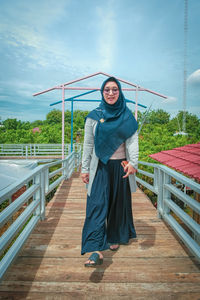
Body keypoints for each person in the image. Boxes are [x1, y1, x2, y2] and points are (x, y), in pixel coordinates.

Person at [81, 76, 139, 267]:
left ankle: (114, 235)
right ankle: (96, 249)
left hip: (121, 166)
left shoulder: (127, 116)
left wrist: (133, 163)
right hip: (100, 167)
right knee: (96, 204)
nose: (111, 93)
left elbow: (132, 141)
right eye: (107, 90)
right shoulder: (94, 116)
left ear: (120, 91)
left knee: (116, 203)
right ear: (102, 92)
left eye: (115, 89)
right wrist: (84, 169)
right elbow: (88, 144)